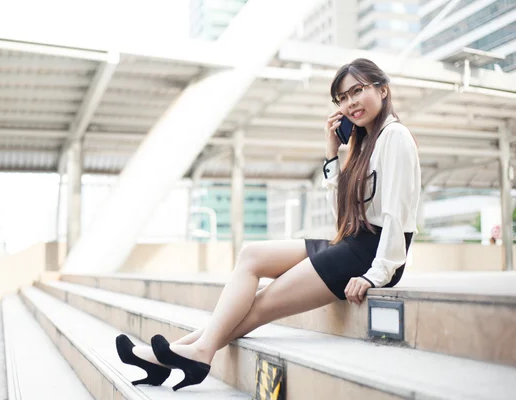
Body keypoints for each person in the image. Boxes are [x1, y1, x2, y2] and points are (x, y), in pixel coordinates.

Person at [115, 58, 421, 391]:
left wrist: (375, 274)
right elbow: (343, 217)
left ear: (382, 89)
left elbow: (396, 215)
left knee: (261, 302)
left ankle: (188, 354)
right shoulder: (364, 146)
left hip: (371, 255)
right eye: (342, 98)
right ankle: (173, 357)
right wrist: (332, 155)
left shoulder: (396, 137)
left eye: (357, 91)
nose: (350, 104)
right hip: (351, 243)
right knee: (251, 255)